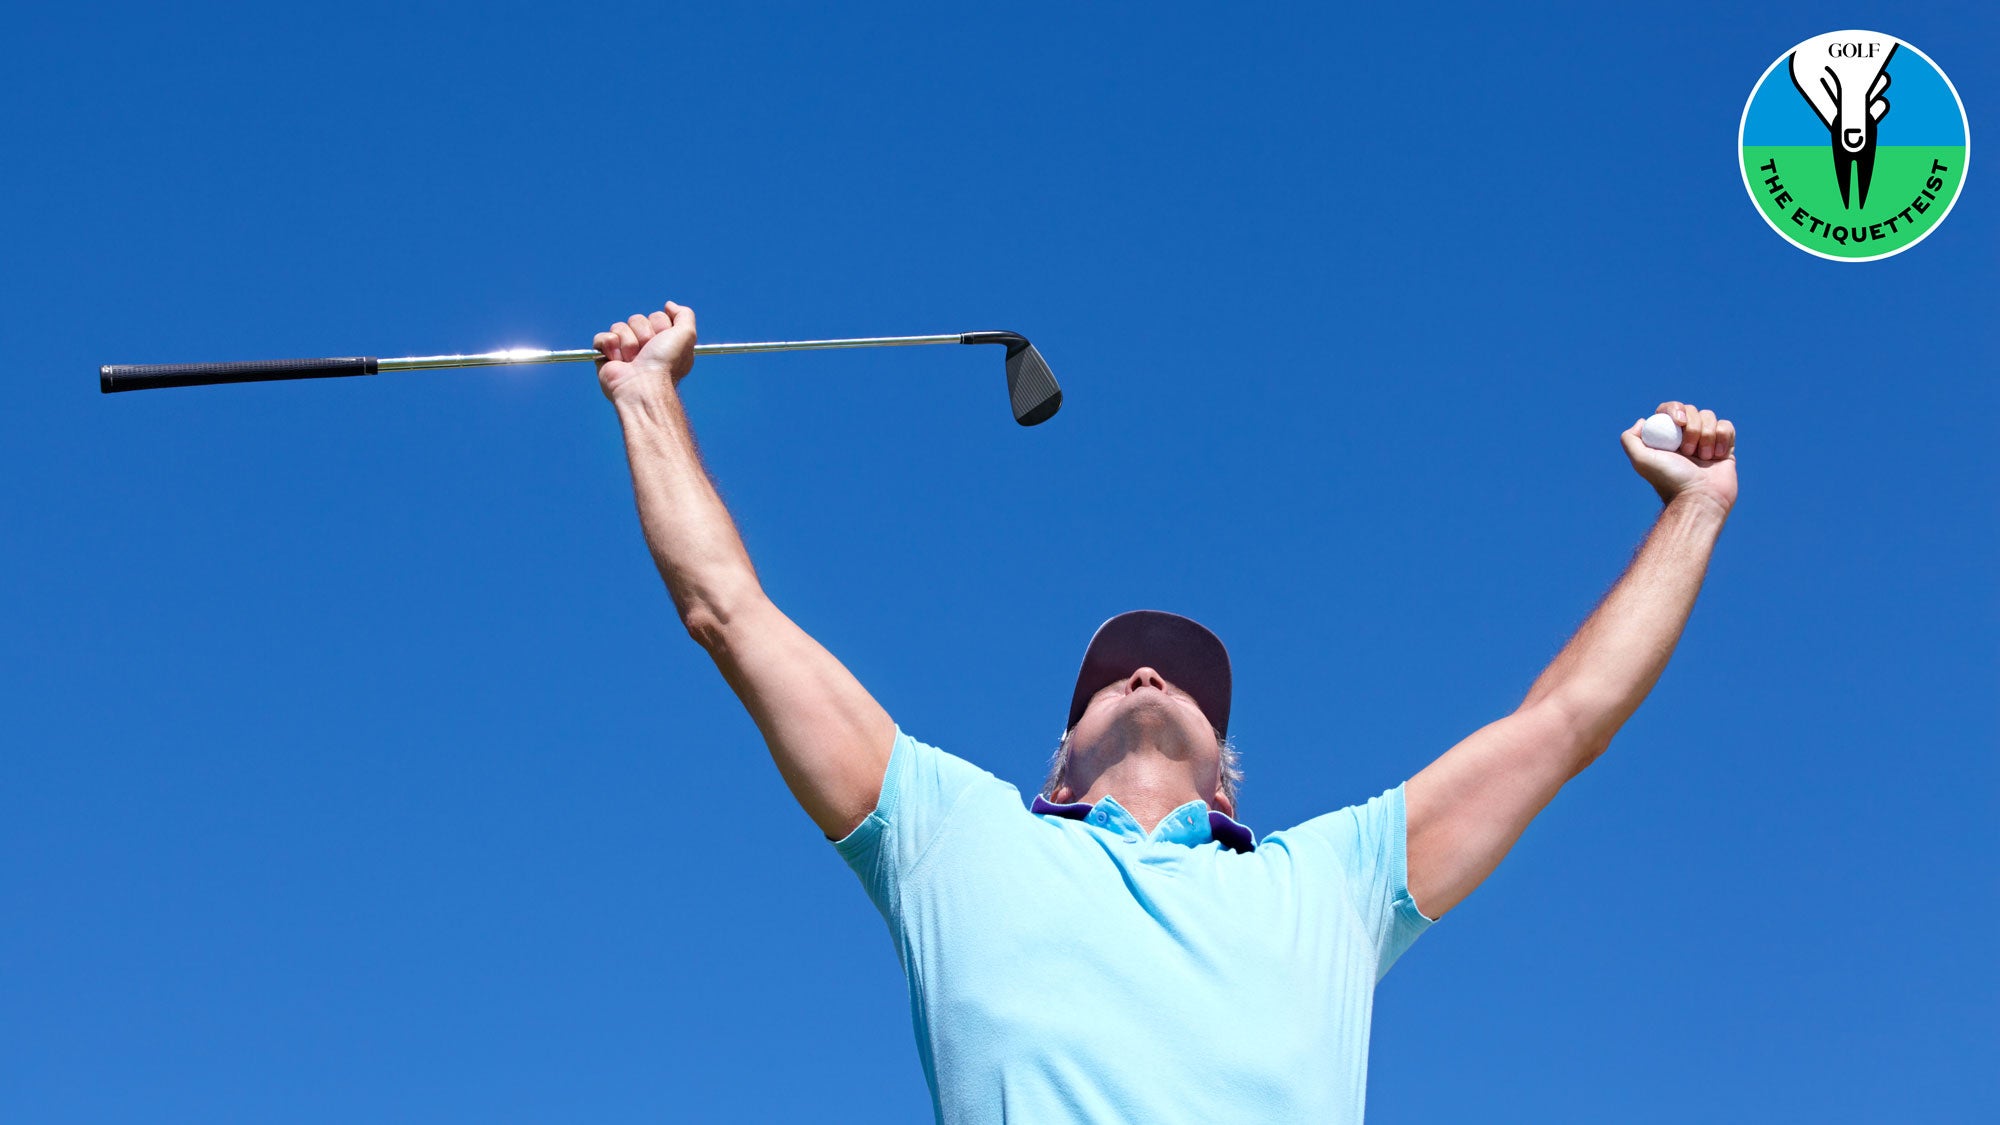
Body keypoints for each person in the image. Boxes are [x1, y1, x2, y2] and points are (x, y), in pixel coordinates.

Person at [594, 301, 1739, 1124]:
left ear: (1228, 783)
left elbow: (1566, 721)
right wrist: (646, 398)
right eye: (1113, 677)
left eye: (1180, 679)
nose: (1146, 677)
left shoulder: (1331, 883)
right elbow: (727, 611)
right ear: (1055, 765)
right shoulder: (948, 832)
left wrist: (1691, 512)